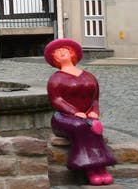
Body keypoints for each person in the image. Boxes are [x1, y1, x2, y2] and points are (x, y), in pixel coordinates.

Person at [45, 37, 116, 186]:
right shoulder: (56, 79)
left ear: (72, 54)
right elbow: (56, 100)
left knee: (93, 125)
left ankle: (101, 168)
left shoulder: (89, 76)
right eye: (58, 52)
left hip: (87, 117)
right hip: (63, 118)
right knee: (81, 126)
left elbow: (95, 99)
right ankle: (90, 168)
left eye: (65, 50)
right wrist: (74, 111)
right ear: (54, 59)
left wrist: (94, 111)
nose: (62, 53)